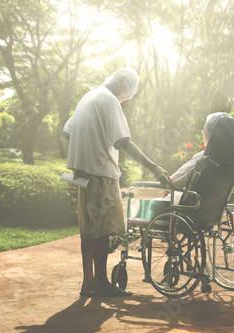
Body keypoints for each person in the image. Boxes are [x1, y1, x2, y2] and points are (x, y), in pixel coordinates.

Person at [61, 67, 170, 297]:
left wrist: (74, 162)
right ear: (121, 81)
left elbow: (66, 133)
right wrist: (155, 168)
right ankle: (101, 283)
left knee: (89, 230)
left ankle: (88, 282)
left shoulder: (88, 97)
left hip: (83, 176)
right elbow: (124, 141)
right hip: (102, 174)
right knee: (103, 230)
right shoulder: (110, 100)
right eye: (128, 93)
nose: (126, 98)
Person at [169, 112, 233, 190]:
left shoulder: (204, 157)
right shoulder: (232, 158)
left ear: (209, 133)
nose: (202, 134)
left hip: (193, 200)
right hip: (216, 201)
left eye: (203, 131)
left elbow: (173, 182)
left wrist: (169, 184)